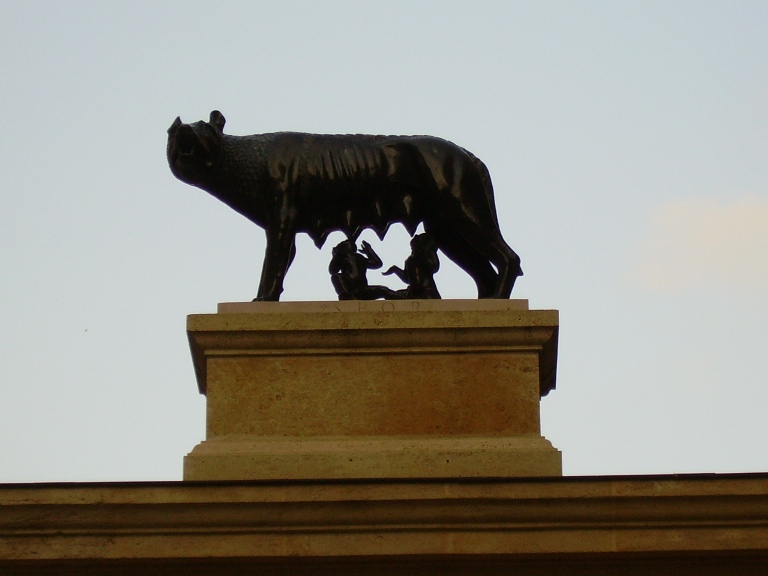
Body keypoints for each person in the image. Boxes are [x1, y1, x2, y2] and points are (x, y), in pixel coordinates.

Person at [329, 239, 399, 300]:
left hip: (361, 289)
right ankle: (346, 296)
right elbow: (377, 263)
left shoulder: (358, 257)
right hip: (350, 290)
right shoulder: (343, 258)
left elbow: (377, 264)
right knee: (383, 290)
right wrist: (369, 251)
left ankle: (400, 297)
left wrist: (369, 250)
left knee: (383, 290)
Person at [383, 233, 441, 299]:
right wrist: (395, 269)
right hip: (414, 292)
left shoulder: (424, 258)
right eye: (412, 247)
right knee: (390, 295)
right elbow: (407, 278)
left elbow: (434, 267)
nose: (412, 249)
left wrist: (431, 251)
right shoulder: (409, 260)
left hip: (426, 290)